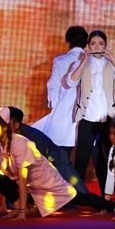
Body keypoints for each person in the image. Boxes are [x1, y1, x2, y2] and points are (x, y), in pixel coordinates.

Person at [0, 107, 114, 221]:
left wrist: (22, 212)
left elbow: (26, 176)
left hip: (49, 178)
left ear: (6, 127)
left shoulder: (24, 141)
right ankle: (20, 206)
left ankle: (112, 206)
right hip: (31, 186)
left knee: (80, 197)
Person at [69, 30, 115, 194]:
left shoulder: (110, 63)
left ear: (106, 46)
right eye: (93, 43)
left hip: (108, 120)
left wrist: (112, 58)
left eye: (101, 44)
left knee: (111, 158)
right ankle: (77, 196)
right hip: (87, 118)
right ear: (88, 46)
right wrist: (84, 60)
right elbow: (70, 82)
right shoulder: (81, 63)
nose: (97, 47)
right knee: (81, 159)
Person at [32, 26, 88, 156]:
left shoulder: (60, 60)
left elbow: (53, 86)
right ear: (86, 42)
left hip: (63, 109)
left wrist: (55, 108)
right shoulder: (90, 60)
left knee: (60, 151)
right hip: (86, 111)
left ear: (67, 42)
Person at [6, 106, 89, 194]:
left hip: (58, 162)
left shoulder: (33, 137)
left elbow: (42, 162)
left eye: (7, 123)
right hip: (44, 168)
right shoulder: (10, 137)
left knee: (82, 192)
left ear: (16, 125)